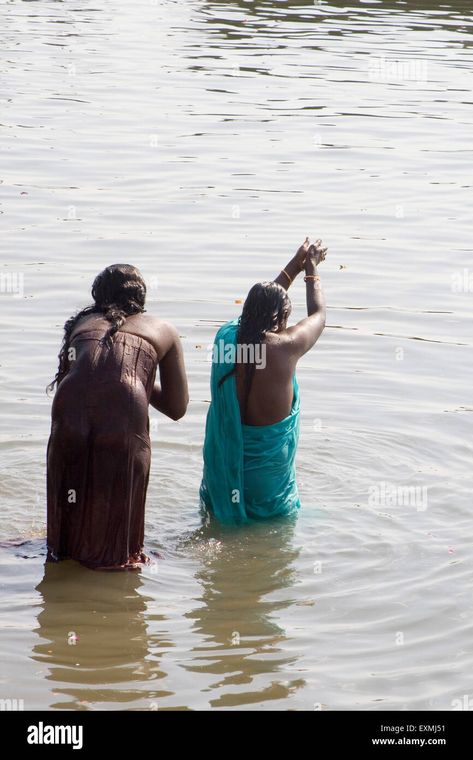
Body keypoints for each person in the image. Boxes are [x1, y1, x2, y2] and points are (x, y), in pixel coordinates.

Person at [46, 264, 188, 570]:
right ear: (141, 298)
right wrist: (136, 379)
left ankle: (63, 556)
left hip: (68, 409)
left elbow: (79, 375)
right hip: (125, 411)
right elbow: (177, 408)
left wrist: (121, 377)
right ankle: (115, 568)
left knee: (69, 501)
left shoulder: (81, 324)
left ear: (98, 297)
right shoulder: (162, 328)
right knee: (120, 546)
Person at [200, 238, 327, 524]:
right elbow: (319, 315)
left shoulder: (226, 339)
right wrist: (311, 269)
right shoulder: (286, 346)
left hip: (222, 473)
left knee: (216, 522)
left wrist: (294, 265)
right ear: (281, 317)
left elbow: (258, 308)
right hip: (267, 484)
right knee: (275, 538)